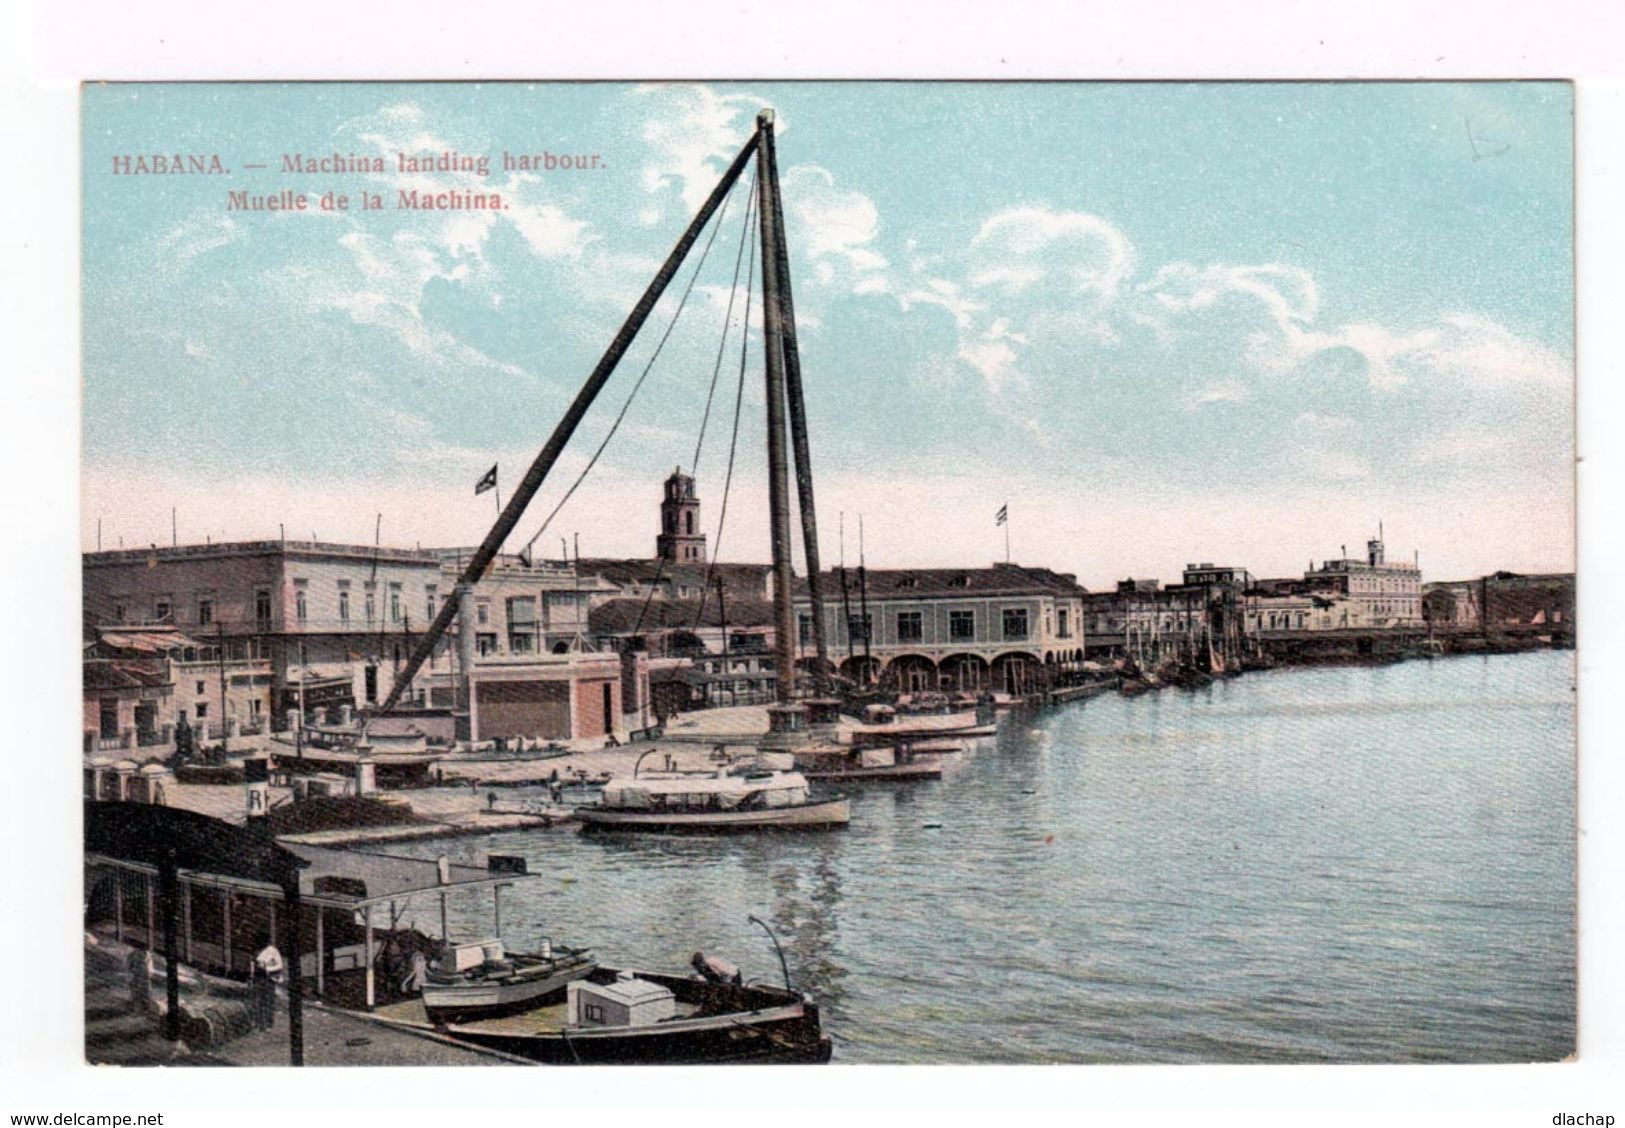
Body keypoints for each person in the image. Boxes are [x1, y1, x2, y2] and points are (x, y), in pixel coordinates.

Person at [252, 934, 285, 1031]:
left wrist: (266, 967)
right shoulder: (256, 952)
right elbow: (253, 965)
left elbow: (279, 965)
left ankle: (268, 1024)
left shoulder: (272, 951)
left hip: (269, 979)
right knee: (258, 1002)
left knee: (268, 1001)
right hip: (258, 979)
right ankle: (259, 1024)